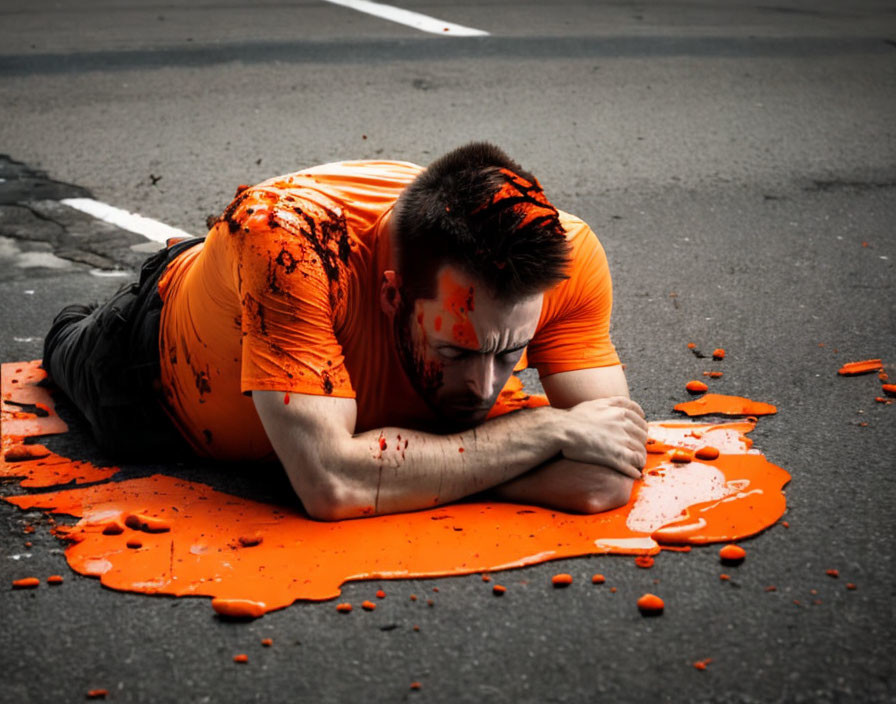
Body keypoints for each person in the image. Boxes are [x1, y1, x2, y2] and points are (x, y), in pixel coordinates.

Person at [43, 142, 647, 520]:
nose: (485, 387)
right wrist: (540, 430)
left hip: (292, 309)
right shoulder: (290, 247)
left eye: (511, 351)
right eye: (456, 350)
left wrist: (394, 471)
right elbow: (332, 486)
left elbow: (605, 476)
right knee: (66, 341)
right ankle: (186, 269)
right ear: (391, 294)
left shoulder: (563, 256)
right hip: (144, 363)